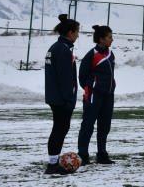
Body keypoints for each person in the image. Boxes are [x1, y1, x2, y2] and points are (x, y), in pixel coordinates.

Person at [44, 14, 80, 175]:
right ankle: (52, 165)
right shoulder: (63, 50)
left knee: (59, 128)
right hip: (61, 99)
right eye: (77, 32)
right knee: (60, 129)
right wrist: (69, 99)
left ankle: (53, 162)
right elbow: (65, 78)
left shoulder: (55, 47)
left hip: (55, 96)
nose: (78, 35)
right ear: (70, 33)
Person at [77, 25, 117, 166]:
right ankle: (83, 155)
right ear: (101, 39)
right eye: (109, 37)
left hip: (108, 95)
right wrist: (92, 87)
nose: (112, 39)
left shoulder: (110, 54)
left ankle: (102, 155)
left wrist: (111, 86)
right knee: (88, 125)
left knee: (104, 126)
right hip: (94, 96)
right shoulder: (92, 54)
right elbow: (82, 76)